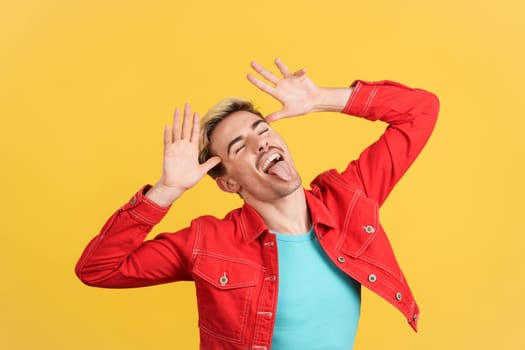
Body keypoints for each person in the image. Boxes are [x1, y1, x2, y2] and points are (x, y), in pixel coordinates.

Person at [76, 59, 439, 350]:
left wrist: (320, 99)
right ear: (228, 182)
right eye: (239, 146)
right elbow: (98, 270)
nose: (260, 144)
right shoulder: (207, 241)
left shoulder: (349, 201)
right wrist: (167, 190)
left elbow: (420, 111)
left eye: (263, 130)